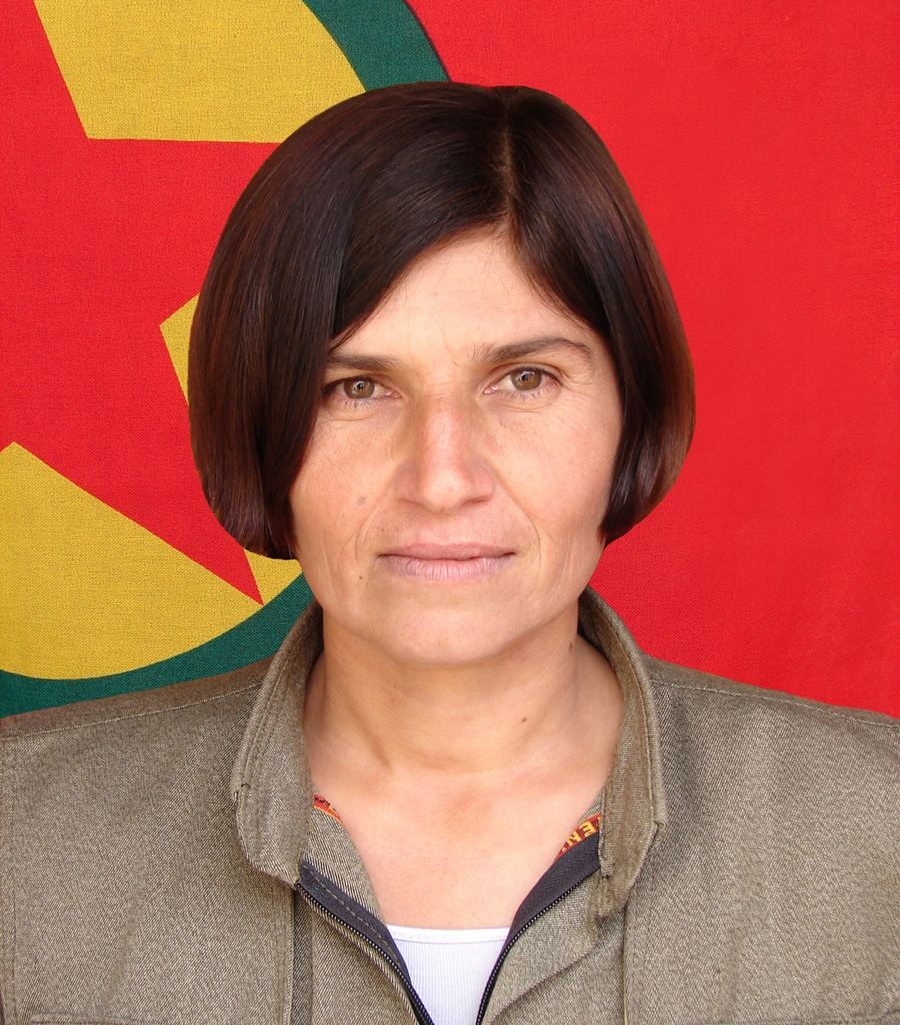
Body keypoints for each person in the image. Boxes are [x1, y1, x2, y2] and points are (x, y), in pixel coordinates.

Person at [1, 83, 897, 1024]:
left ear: (631, 420)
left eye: (524, 379)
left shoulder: (879, 829)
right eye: (356, 388)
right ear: (260, 430)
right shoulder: (26, 841)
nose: (441, 478)